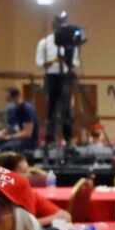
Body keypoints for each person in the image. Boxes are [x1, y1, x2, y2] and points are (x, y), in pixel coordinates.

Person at [0, 152, 68, 227]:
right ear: (5, 175)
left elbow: (65, 216)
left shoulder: (30, 194)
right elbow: (12, 228)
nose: (28, 176)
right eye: (24, 172)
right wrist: (51, 219)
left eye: (28, 171)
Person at [35, 12, 78, 149]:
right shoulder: (45, 42)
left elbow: (75, 62)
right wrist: (55, 60)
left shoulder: (71, 43)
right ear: (54, 26)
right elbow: (39, 62)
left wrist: (67, 59)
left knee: (66, 110)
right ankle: (50, 139)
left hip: (65, 76)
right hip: (51, 76)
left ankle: (68, 139)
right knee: (51, 109)